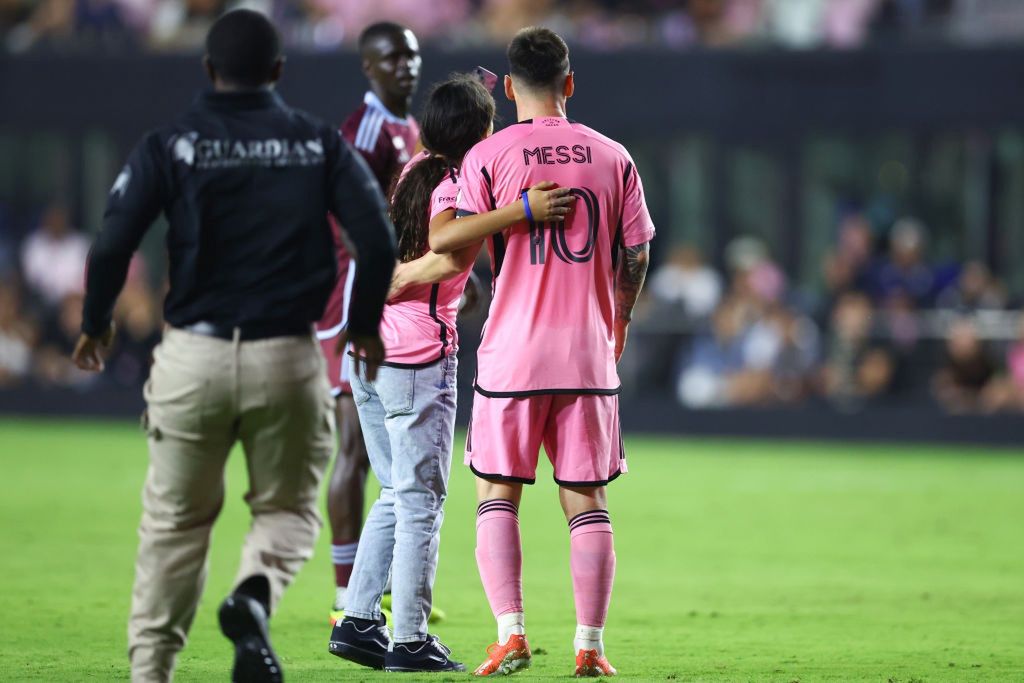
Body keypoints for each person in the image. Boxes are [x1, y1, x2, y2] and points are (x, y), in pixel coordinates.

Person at [71, 10, 397, 683]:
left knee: (175, 526)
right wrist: (364, 326)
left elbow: (111, 242)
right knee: (286, 512)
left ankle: (151, 671)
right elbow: (377, 236)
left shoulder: (173, 142)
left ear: (208, 71)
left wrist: (96, 321)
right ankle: (252, 594)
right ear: (279, 71)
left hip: (194, 354)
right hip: (287, 356)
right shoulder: (314, 142)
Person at [328, 74, 574, 674]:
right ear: (479, 133)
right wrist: (523, 210)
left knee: (394, 491)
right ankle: (410, 639)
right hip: (414, 355)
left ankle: (358, 621)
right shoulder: (458, 180)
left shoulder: (415, 166)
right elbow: (447, 249)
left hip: (368, 346)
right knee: (421, 503)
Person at [436, 27, 655, 677]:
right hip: (588, 354)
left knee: (496, 492)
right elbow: (637, 251)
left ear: (506, 88)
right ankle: (590, 645)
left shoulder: (489, 156)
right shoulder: (612, 155)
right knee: (586, 498)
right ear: (570, 83)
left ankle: (511, 634)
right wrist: (619, 320)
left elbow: (454, 247)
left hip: (513, 355)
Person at [319, 21, 426, 625]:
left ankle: (371, 588)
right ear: (368, 67)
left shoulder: (405, 128)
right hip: (352, 300)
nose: (404, 66)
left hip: (387, 295)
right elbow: (350, 227)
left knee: (387, 452)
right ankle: (345, 595)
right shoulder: (362, 132)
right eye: (391, 58)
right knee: (357, 446)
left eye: (411, 56)